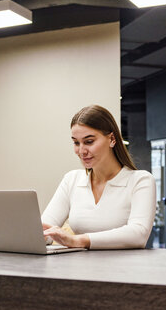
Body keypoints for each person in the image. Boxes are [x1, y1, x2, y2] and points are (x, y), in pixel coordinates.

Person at [42, 105, 156, 249]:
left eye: (89, 141)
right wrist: (39, 236)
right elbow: (45, 228)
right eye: (76, 142)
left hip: (124, 270)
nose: (81, 151)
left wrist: (78, 241)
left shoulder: (141, 181)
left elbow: (138, 234)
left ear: (112, 139)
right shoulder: (71, 180)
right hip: (76, 270)